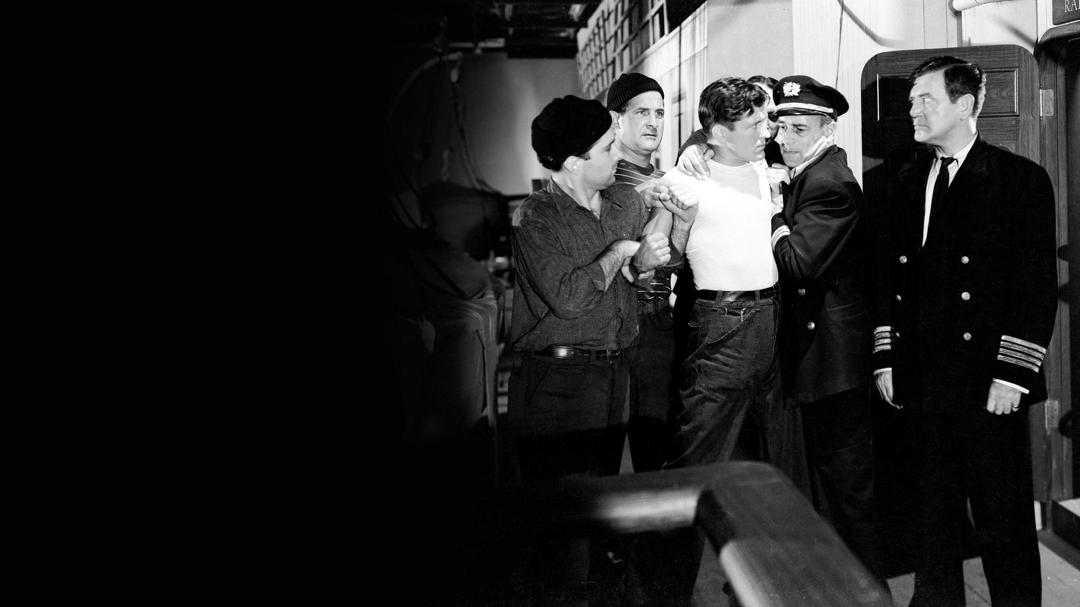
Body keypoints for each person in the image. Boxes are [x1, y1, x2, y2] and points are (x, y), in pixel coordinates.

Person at [873, 55, 1056, 606]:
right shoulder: (904, 179)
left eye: (926, 99)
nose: (913, 110)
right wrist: (887, 357)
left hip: (985, 382)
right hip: (923, 377)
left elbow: (1034, 287)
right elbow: (889, 278)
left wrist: (1012, 375)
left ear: (966, 105)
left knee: (1003, 520)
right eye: (911, 101)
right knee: (932, 516)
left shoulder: (1019, 179)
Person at [508, 94, 671, 605]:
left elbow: (647, 266)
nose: (617, 155)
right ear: (575, 161)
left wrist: (661, 237)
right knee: (563, 529)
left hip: (613, 374)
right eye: (606, 148)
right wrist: (621, 251)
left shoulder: (623, 202)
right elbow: (571, 298)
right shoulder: (536, 219)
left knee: (602, 511)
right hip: (556, 387)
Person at [766, 75, 883, 580]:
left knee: (848, 487)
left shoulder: (830, 183)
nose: (784, 139)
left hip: (834, 362)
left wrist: (774, 214)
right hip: (817, 357)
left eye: (798, 129)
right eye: (781, 128)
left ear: (827, 129)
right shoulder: (807, 173)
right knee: (829, 484)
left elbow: (798, 264)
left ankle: (868, 587)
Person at [606, 71, 679, 473]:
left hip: (658, 322)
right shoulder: (601, 178)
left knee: (658, 450)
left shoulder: (664, 180)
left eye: (660, 113)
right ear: (617, 120)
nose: (653, 122)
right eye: (642, 112)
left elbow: (672, 256)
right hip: (616, 323)